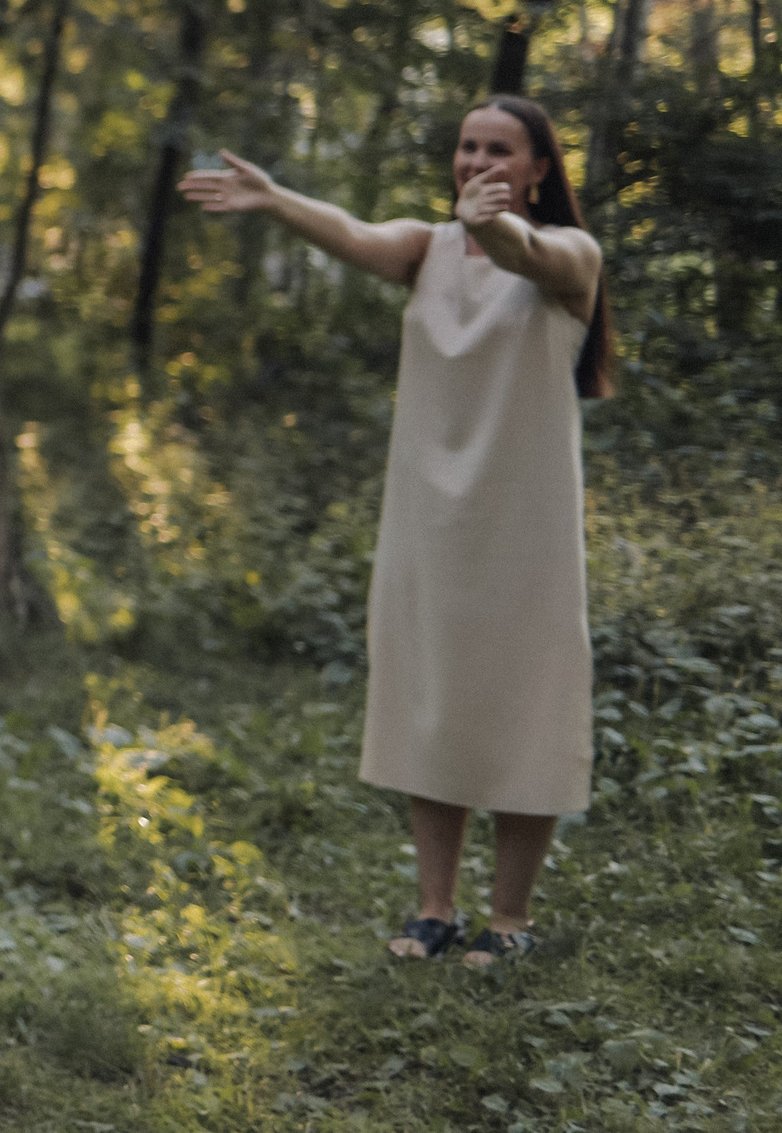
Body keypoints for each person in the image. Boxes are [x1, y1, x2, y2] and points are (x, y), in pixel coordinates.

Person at [180, 95, 611, 969]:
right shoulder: (426, 247)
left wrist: (488, 223)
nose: (477, 160)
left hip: (525, 524)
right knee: (431, 699)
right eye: (467, 145)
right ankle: (434, 909)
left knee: (525, 701)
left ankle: (511, 917)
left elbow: (522, 254)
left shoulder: (572, 252)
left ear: (538, 169)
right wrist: (274, 198)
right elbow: (352, 232)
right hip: (430, 521)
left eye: (499, 150)